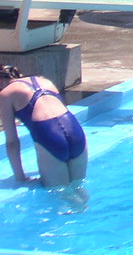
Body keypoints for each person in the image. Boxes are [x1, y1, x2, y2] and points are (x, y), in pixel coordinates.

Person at [0, 65, 88, 205]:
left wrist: (20, 177)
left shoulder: (6, 94)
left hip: (50, 135)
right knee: (78, 187)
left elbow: (12, 142)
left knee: (60, 194)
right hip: (75, 131)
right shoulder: (44, 81)